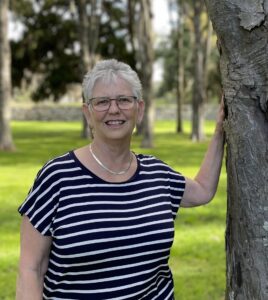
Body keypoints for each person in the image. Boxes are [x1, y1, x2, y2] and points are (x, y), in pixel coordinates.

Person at [16, 59, 225, 300]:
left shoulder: (157, 173)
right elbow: (30, 269)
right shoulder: (56, 178)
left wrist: (220, 129)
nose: (114, 110)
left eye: (124, 100)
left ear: (140, 109)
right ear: (87, 112)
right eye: (102, 102)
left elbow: (202, 189)